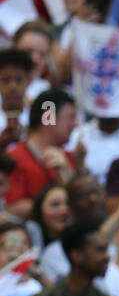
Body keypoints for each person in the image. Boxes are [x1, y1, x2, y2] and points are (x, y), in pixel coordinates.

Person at [4, 88, 77, 222]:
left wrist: (68, 174)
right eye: (71, 117)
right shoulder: (13, 158)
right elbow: (11, 207)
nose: (75, 124)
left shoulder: (70, 158)